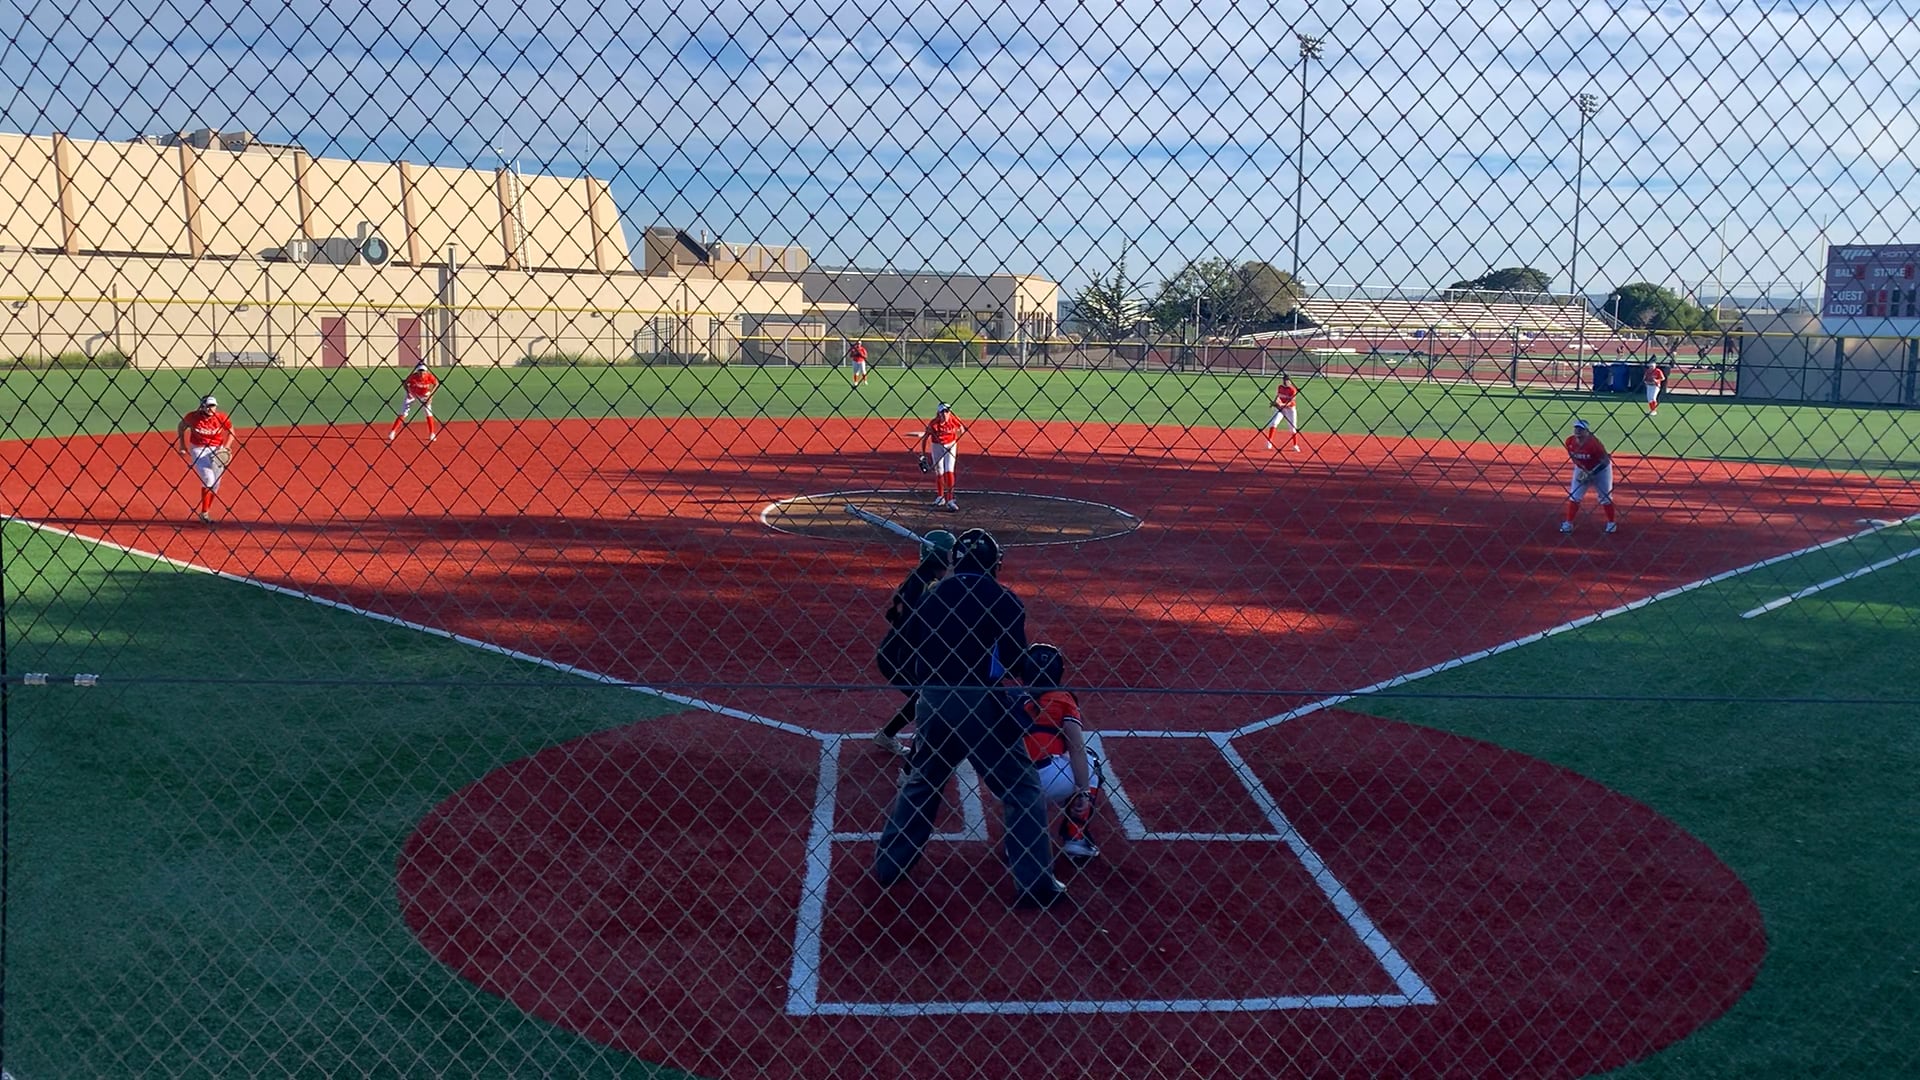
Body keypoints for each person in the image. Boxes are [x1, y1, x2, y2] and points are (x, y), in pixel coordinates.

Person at [873, 528, 1065, 909]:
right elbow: (1013, 660)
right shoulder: (1003, 599)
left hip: (932, 699)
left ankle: (890, 864)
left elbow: (906, 643)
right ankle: (1035, 885)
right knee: (1021, 787)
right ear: (993, 565)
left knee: (924, 780)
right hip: (978, 700)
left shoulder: (932, 594)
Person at [871, 529, 956, 755]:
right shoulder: (928, 582)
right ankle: (917, 750)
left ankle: (888, 735)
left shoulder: (924, 577)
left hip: (903, 652)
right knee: (928, 698)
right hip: (899, 655)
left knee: (927, 697)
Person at [1016, 643, 1102, 862]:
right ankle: (1076, 839)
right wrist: (1082, 791)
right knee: (1091, 761)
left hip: (1010, 780)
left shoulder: (1010, 696)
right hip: (1050, 779)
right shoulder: (1063, 699)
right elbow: (1076, 747)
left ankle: (1017, 844)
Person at [174, 394, 237, 523]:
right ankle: (204, 514)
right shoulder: (192, 417)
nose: (210, 408)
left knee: (216, 484)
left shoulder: (221, 417)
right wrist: (182, 444)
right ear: (202, 406)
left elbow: (231, 432)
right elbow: (181, 426)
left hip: (217, 450)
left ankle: (206, 511)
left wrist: (226, 448)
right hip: (199, 449)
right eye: (208, 406)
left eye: (213, 406)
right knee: (209, 479)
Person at [1561, 418, 1617, 535]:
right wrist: (1583, 471)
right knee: (1574, 495)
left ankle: (1611, 523)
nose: (1578, 431)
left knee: (1605, 497)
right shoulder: (1570, 441)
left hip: (1602, 471)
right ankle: (1568, 523)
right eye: (1576, 428)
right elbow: (1573, 457)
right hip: (1582, 469)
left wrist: (1592, 473)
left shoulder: (1594, 444)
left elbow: (1605, 461)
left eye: (1581, 429)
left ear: (1587, 431)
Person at [920, 403, 965, 511]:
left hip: (951, 445)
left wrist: (955, 440)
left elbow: (962, 428)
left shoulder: (953, 419)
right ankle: (940, 497)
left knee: (949, 470)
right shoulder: (934, 424)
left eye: (947, 411)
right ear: (939, 413)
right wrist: (923, 454)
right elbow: (925, 439)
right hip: (937, 446)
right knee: (939, 471)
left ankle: (950, 499)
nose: (945, 414)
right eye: (943, 412)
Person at [387, 361, 440, 442]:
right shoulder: (413, 376)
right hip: (413, 394)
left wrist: (431, 396)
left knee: (428, 412)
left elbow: (436, 384)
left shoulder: (429, 376)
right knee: (404, 412)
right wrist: (408, 392)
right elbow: (405, 383)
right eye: (420, 371)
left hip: (425, 394)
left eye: (423, 371)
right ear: (417, 371)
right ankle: (392, 432)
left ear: (426, 371)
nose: (421, 373)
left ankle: (432, 433)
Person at [1264, 373, 1302, 451]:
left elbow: (1291, 402)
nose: (1287, 382)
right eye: (1285, 380)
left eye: (1288, 380)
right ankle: (1269, 442)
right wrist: (1275, 402)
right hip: (1281, 409)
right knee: (1274, 423)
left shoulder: (1292, 390)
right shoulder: (1280, 387)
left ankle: (1295, 445)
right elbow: (1278, 396)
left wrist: (1282, 404)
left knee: (1292, 428)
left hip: (1290, 410)